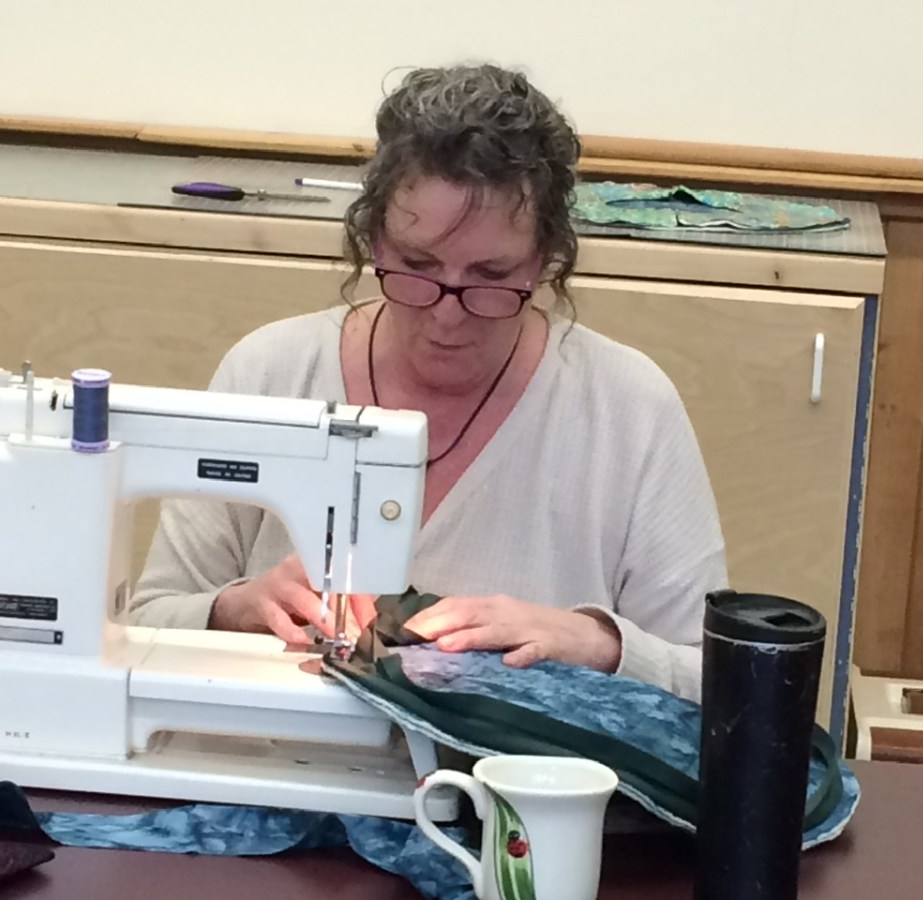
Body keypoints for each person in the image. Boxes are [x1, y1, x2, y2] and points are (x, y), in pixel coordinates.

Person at [130, 63, 728, 701]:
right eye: (416, 266)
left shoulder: (628, 409)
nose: (447, 315)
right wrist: (236, 609)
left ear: (546, 259)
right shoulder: (268, 373)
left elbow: (715, 682)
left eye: (491, 276)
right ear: (373, 241)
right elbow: (147, 620)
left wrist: (597, 643)